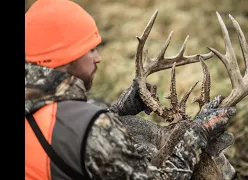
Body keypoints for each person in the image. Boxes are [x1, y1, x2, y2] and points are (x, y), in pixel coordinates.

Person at [25, 0, 236, 179]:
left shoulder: (56, 116)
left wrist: (116, 112)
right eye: (90, 49)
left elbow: (65, 135)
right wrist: (196, 134)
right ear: (65, 58)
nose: (98, 58)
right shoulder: (92, 130)